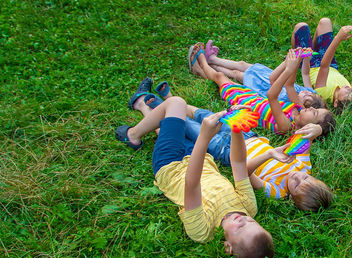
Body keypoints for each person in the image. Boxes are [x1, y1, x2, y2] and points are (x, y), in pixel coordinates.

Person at [114, 79, 274, 258]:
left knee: (177, 104)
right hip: (199, 158)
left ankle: (133, 134)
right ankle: (145, 107)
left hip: (169, 165)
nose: (243, 218)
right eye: (250, 221)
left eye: (240, 227)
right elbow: (239, 164)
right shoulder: (248, 207)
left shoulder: (202, 232)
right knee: (170, 125)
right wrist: (237, 128)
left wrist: (205, 138)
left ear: (227, 247)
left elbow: (192, 184)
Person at [120, 78, 332, 212]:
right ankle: (170, 102)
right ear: (312, 175)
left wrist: (270, 155)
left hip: (228, 149)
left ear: (293, 198)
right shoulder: (303, 167)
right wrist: (317, 130)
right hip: (250, 134)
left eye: (296, 185)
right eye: (305, 178)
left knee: (189, 128)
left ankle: (152, 108)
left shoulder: (277, 191)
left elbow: (246, 173)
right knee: (205, 114)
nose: (296, 177)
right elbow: (305, 139)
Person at [189, 43, 335, 136]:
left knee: (220, 77)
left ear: (309, 127)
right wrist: (294, 61)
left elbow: (272, 97)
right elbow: (289, 84)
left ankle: (201, 60)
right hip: (253, 96)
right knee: (221, 79)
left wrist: (289, 69)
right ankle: (200, 70)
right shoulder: (298, 108)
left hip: (242, 102)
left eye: (314, 112)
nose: (310, 108)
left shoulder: (287, 126)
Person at [203, 40, 327, 109]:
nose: (306, 92)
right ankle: (213, 60)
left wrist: (293, 62)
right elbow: (305, 74)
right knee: (242, 64)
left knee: (236, 74)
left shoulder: (292, 100)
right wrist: (306, 59)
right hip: (268, 74)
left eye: (306, 97)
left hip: (262, 85)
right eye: (309, 93)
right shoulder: (308, 93)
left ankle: (210, 64)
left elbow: (288, 83)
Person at [291, 18, 352, 114]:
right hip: (331, 63)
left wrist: (338, 39)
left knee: (301, 27)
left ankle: (298, 58)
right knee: (325, 22)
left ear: (335, 102)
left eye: (348, 94)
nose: (350, 90)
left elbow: (324, 66)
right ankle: (313, 48)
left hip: (311, 63)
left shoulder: (324, 94)